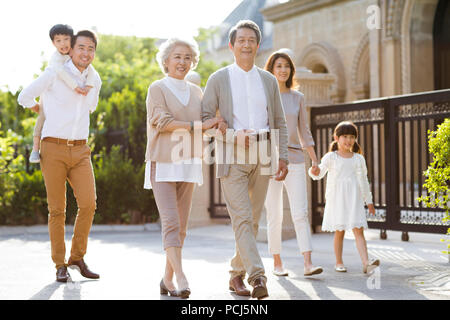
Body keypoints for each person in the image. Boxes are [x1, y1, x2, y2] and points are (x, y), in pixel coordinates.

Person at [202, 20, 289, 299]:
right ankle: (258, 277)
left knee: (251, 220)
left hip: (264, 152)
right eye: (241, 40)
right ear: (231, 45)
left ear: (258, 45)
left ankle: (234, 275)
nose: (247, 44)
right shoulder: (218, 78)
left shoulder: (268, 80)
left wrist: (283, 155)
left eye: (252, 40)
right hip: (231, 153)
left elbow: (279, 121)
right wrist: (233, 137)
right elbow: (205, 120)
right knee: (241, 217)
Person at [18, 30, 102, 282]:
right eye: (81, 48)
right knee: (57, 210)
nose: (86, 53)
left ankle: (77, 257)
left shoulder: (94, 79)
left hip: (80, 149)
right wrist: (40, 107)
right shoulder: (54, 73)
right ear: (71, 49)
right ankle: (59, 264)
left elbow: (91, 107)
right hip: (52, 148)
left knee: (88, 204)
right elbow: (24, 96)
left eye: (91, 49)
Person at [144, 37, 223, 299]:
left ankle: (166, 279)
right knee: (171, 223)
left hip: (189, 162)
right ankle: (181, 276)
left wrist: (216, 124)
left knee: (182, 227)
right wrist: (198, 126)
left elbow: (207, 124)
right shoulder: (157, 88)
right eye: (177, 56)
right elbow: (162, 122)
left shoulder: (197, 92)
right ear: (166, 61)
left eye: (188, 57)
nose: (182, 61)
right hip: (163, 162)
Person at [263, 51, 323, 277]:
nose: (283, 70)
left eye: (286, 66)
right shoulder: (264, 97)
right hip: (269, 161)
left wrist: (314, 158)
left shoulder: (297, 98)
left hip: (296, 159)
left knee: (300, 212)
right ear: (271, 69)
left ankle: (308, 263)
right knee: (274, 214)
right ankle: (277, 263)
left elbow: (303, 130)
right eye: (278, 65)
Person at [308, 121, 380, 274]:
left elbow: (364, 181)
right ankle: (339, 262)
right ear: (336, 137)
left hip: (354, 199)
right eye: (345, 136)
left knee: (358, 230)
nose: (349, 140)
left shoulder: (359, 159)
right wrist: (314, 170)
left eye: (352, 137)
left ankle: (366, 262)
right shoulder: (331, 157)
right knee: (339, 231)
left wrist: (369, 201)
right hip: (337, 199)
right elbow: (319, 173)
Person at [29, 24, 99, 164]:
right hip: (48, 96)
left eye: (66, 39)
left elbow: (91, 70)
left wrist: (89, 86)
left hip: (78, 146)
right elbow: (61, 73)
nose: (63, 44)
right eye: (58, 41)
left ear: (71, 41)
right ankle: (35, 149)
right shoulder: (55, 60)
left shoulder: (74, 55)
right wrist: (36, 106)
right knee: (41, 119)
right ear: (53, 43)